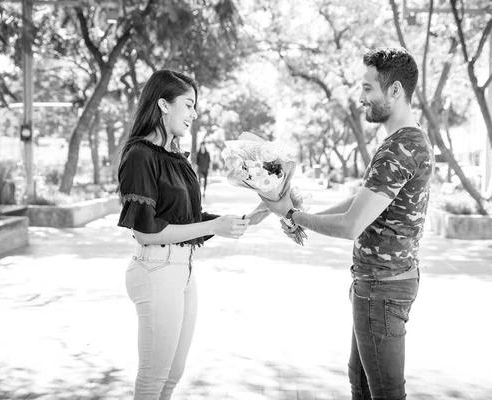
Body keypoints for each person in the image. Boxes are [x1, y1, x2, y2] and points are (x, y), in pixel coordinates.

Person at [263, 47, 433, 400]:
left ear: (396, 91)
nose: (360, 98)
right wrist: (307, 218)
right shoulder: (406, 139)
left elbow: (352, 225)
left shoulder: (399, 148)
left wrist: (292, 215)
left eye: (368, 88)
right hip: (381, 285)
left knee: (383, 393)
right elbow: (363, 203)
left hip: (381, 289)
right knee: (362, 388)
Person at [116, 69, 268, 400]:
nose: (194, 114)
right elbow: (145, 232)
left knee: (172, 376)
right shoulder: (140, 155)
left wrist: (254, 214)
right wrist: (214, 226)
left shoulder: (177, 158)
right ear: (163, 104)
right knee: (154, 378)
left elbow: (187, 219)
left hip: (183, 271)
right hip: (155, 270)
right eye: (188, 104)